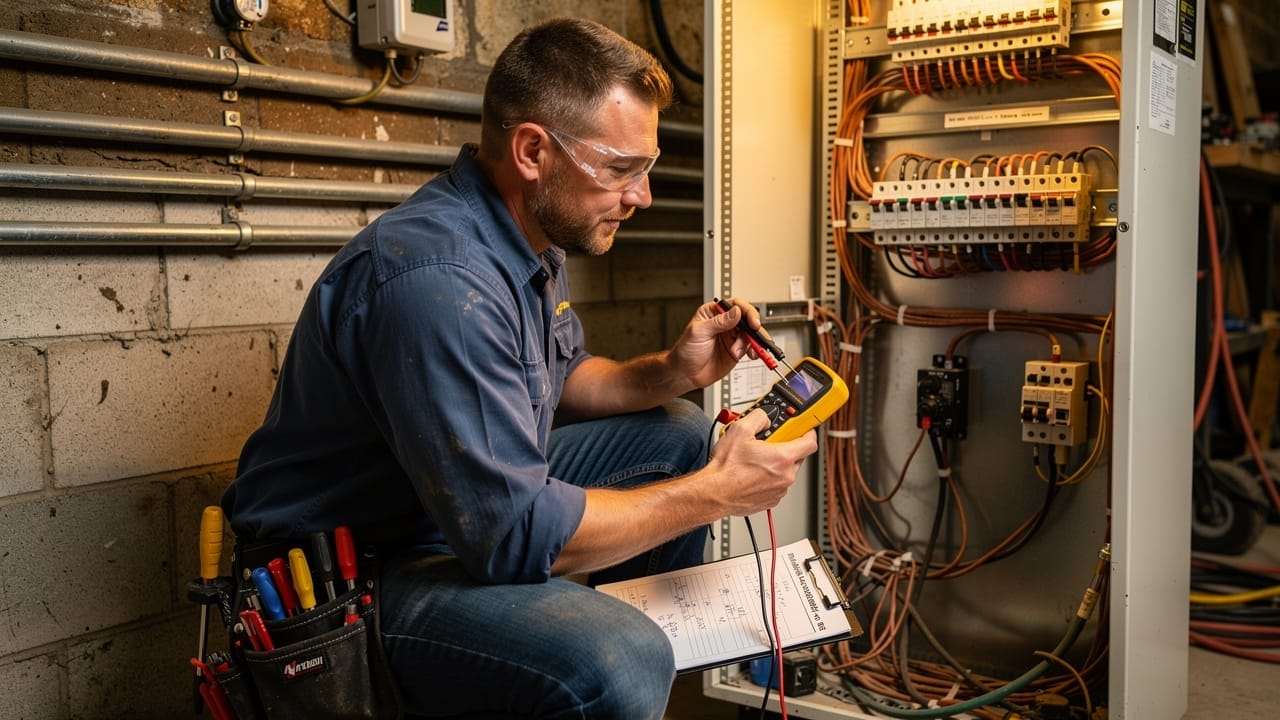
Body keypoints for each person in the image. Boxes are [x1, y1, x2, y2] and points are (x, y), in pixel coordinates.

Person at [221, 17, 818, 719]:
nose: (641, 196)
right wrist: (716, 492)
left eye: (645, 169)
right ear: (533, 150)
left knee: (675, 431)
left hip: (447, 516)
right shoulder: (441, 282)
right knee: (620, 656)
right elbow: (510, 536)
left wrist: (673, 370)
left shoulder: (527, 236)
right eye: (621, 170)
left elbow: (565, 378)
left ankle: (582, 652)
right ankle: (601, 660)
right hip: (356, 573)